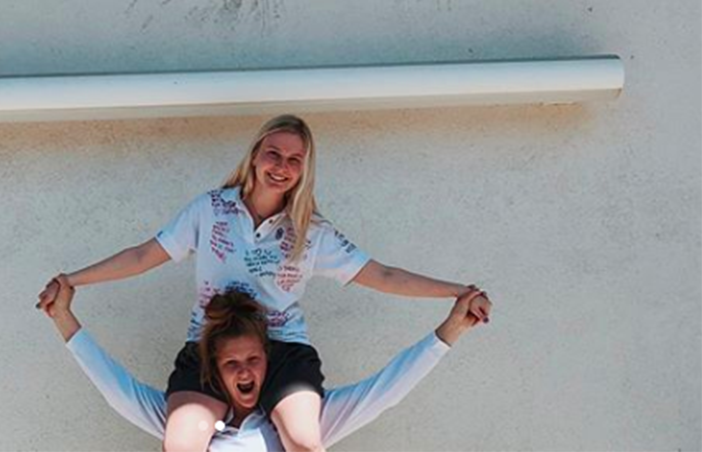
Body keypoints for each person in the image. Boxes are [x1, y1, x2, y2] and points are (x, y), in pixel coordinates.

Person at [37, 114, 492, 452]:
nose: (282, 166)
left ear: (304, 170)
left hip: (281, 350)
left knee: (302, 441)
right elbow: (143, 255)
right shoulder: (211, 210)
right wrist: (73, 281)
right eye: (273, 153)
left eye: (295, 159)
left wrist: (454, 292)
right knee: (180, 445)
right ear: (254, 155)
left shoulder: (311, 233)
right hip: (209, 347)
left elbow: (383, 276)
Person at [44, 277, 486, 451]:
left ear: (268, 363)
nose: (243, 371)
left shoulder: (300, 423)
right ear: (214, 371)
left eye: (253, 359)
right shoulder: (186, 422)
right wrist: (63, 318)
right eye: (231, 362)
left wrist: (451, 330)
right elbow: (115, 388)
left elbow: (385, 390)